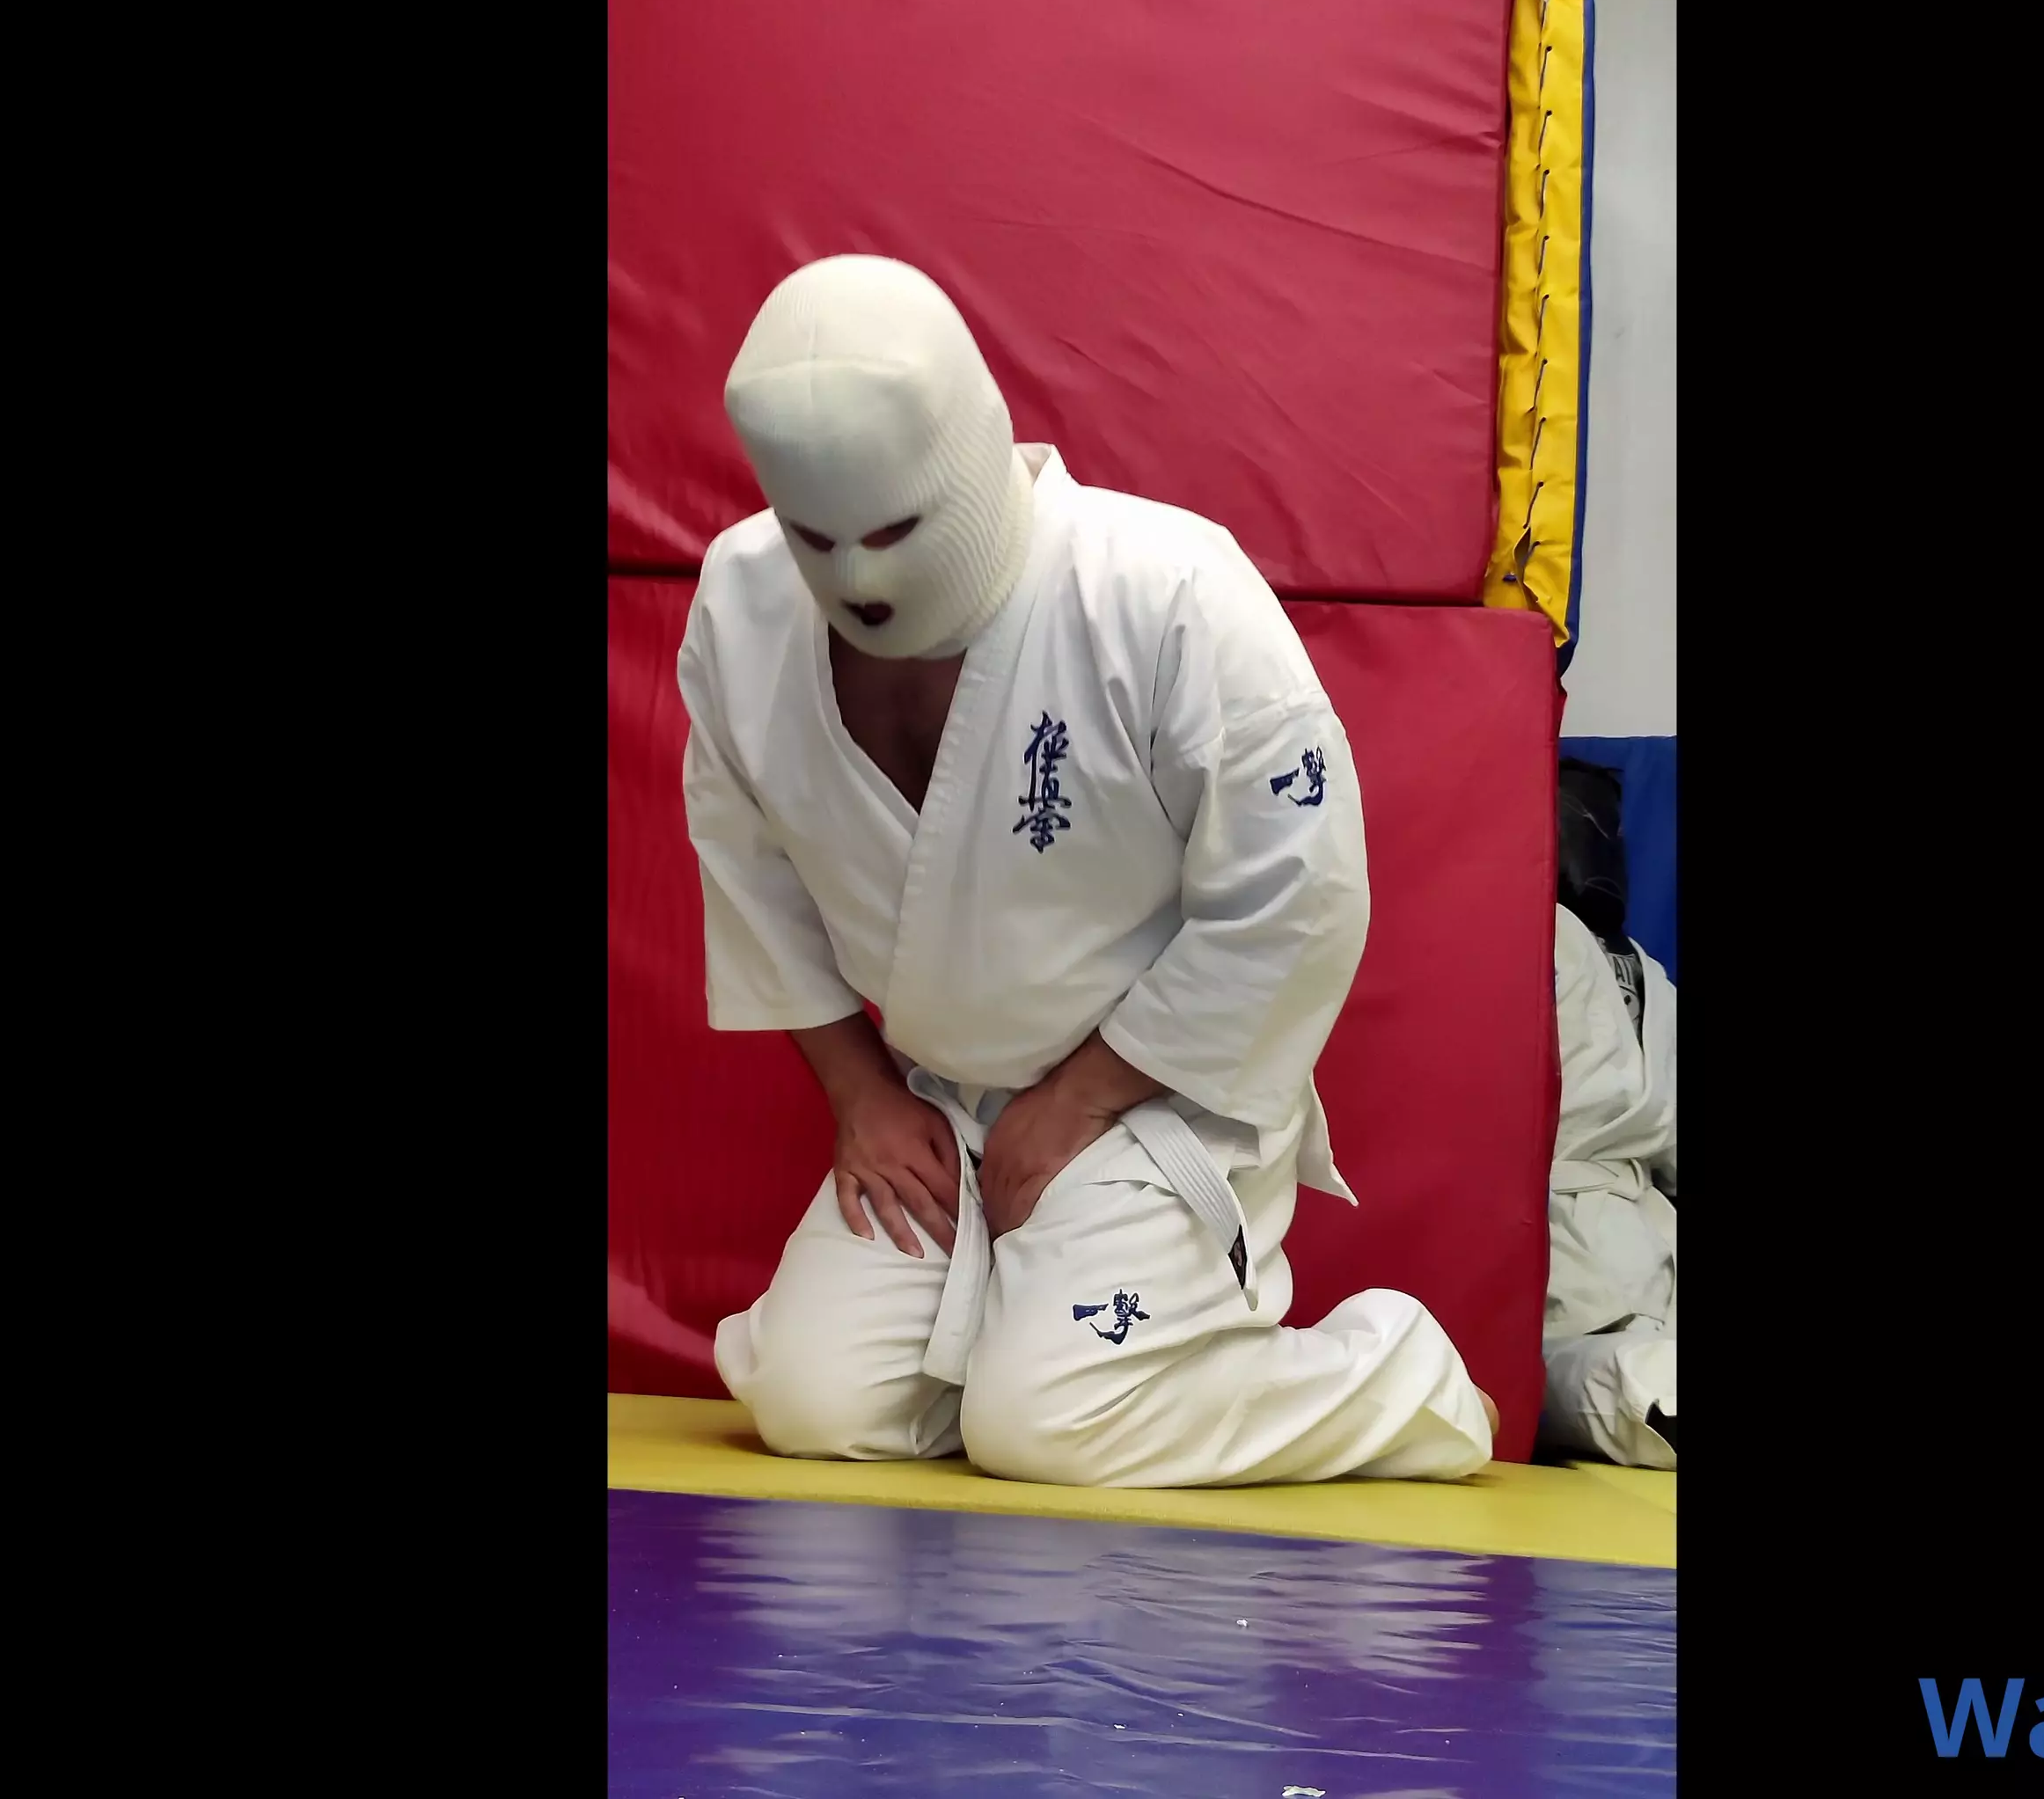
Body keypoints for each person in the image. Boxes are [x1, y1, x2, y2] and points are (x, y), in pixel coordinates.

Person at [677, 254, 1497, 1488]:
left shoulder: (1165, 593)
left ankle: (1395, 1381)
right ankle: (1029, 1332)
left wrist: (1082, 1100)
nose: (859, 581)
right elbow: (748, 871)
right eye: (817, 541)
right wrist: (861, 1095)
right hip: (940, 1103)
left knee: (1045, 1429)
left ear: (972, 452)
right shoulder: (742, 607)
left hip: (1157, 1093)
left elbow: (1300, 893)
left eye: (894, 534)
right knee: (809, 1400)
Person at [1541, 768, 1678, 1469]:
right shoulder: (1533, 938)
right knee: (1620, 1371)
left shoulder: (1649, 975)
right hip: (1572, 1233)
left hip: (1622, 1229)